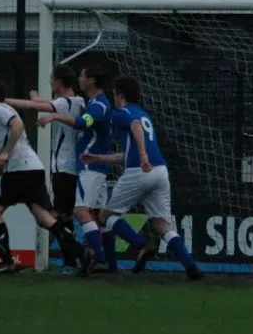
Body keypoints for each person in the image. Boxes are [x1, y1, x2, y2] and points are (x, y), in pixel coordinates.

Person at [81, 75, 204, 280]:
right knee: (162, 225)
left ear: (120, 95)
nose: (113, 97)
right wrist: (99, 158)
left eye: (114, 94)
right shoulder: (143, 113)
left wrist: (143, 156)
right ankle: (190, 266)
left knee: (105, 215)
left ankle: (141, 244)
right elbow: (128, 153)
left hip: (140, 171)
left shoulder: (122, 114)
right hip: (160, 171)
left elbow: (136, 127)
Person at [0, 77, 87, 276]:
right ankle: (81, 251)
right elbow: (17, 139)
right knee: (44, 218)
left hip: (18, 170)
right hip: (33, 168)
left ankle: (6, 262)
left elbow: (17, 127)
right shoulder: (5, 108)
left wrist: (5, 153)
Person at [4, 63, 85, 268]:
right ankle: (73, 260)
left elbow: (36, 107)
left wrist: (3, 100)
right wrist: (38, 101)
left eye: (51, 79)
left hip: (64, 167)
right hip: (72, 167)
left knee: (52, 217)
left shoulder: (64, 103)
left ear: (58, 81)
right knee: (62, 216)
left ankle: (80, 255)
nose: (49, 82)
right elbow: (48, 104)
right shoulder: (78, 101)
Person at [37, 64, 113, 274]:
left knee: (75, 213)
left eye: (82, 75)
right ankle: (101, 261)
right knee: (100, 216)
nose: (80, 79)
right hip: (88, 166)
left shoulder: (98, 105)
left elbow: (83, 122)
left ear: (91, 79)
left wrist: (54, 116)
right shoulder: (88, 102)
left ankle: (94, 257)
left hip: (89, 166)